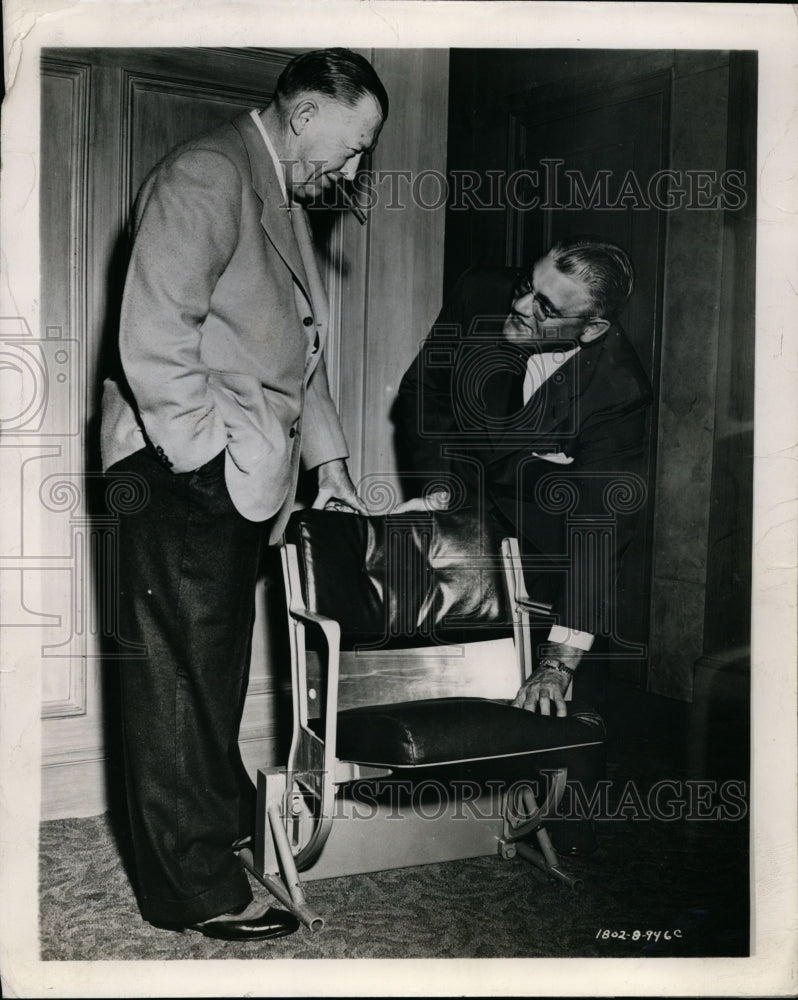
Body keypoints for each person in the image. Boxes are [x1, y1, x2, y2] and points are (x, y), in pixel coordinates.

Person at [101, 49, 388, 941]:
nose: (349, 172)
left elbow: (295, 351)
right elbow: (153, 333)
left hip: (234, 475)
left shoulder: (270, 183)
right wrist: (204, 460)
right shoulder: (210, 171)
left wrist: (332, 465)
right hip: (180, 475)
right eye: (347, 150)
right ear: (303, 114)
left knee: (208, 673)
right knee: (176, 682)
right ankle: (193, 892)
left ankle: (211, 847)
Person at [394, 238, 652, 718]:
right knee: (443, 709)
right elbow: (424, 389)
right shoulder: (479, 292)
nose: (517, 305)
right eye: (526, 286)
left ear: (591, 329)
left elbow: (600, 528)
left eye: (545, 307)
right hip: (462, 531)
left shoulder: (619, 390)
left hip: (549, 570)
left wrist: (558, 664)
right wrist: (439, 488)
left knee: (563, 736)